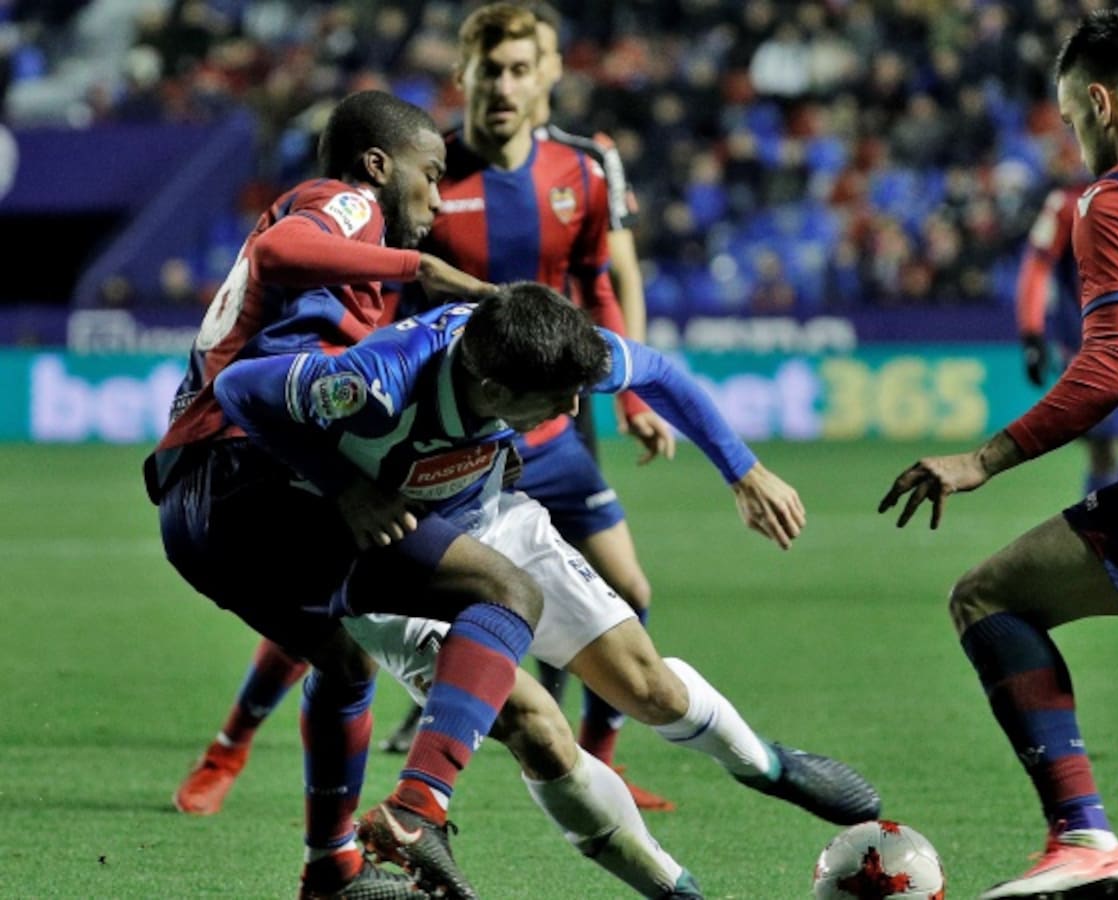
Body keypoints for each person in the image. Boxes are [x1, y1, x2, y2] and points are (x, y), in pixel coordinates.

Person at [215, 283, 882, 890]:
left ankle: (764, 764)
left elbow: (658, 372)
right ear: (495, 389)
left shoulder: (552, 349)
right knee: (540, 728)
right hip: (390, 562)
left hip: (494, 520)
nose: (572, 409)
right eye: (556, 399)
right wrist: (347, 487)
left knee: (650, 688)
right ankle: (674, 889)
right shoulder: (376, 383)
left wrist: (743, 471)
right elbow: (240, 386)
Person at [148, 88, 542, 900]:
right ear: (377, 166)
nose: (438, 197)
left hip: (190, 512)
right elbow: (283, 250)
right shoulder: (346, 204)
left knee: (341, 658)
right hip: (244, 480)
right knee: (505, 592)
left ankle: (331, 869)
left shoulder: (352, 284)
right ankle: (417, 808)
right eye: (429, 176)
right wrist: (424, 269)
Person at [879, 8, 1118, 897]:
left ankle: (1085, 836)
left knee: (989, 596)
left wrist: (981, 460)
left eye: (1068, 118)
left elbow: (1110, 366)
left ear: (1099, 102)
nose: (1073, 136)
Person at [386, 0, 678, 811]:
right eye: (492, 71)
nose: (506, 86)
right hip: (450, 418)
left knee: (623, 590)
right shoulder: (433, 168)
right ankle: (231, 746)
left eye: (523, 68)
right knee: (350, 585)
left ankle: (592, 759)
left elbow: (606, 282)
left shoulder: (584, 166)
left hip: (551, 414)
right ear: (464, 77)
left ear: (550, 73)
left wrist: (631, 396)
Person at [1016, 174, 1118, 495]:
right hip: (1091, 353)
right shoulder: (1068, 203)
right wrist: (1032, 333)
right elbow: (1036, 267)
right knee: (1105, 449)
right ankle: (1100, 539)